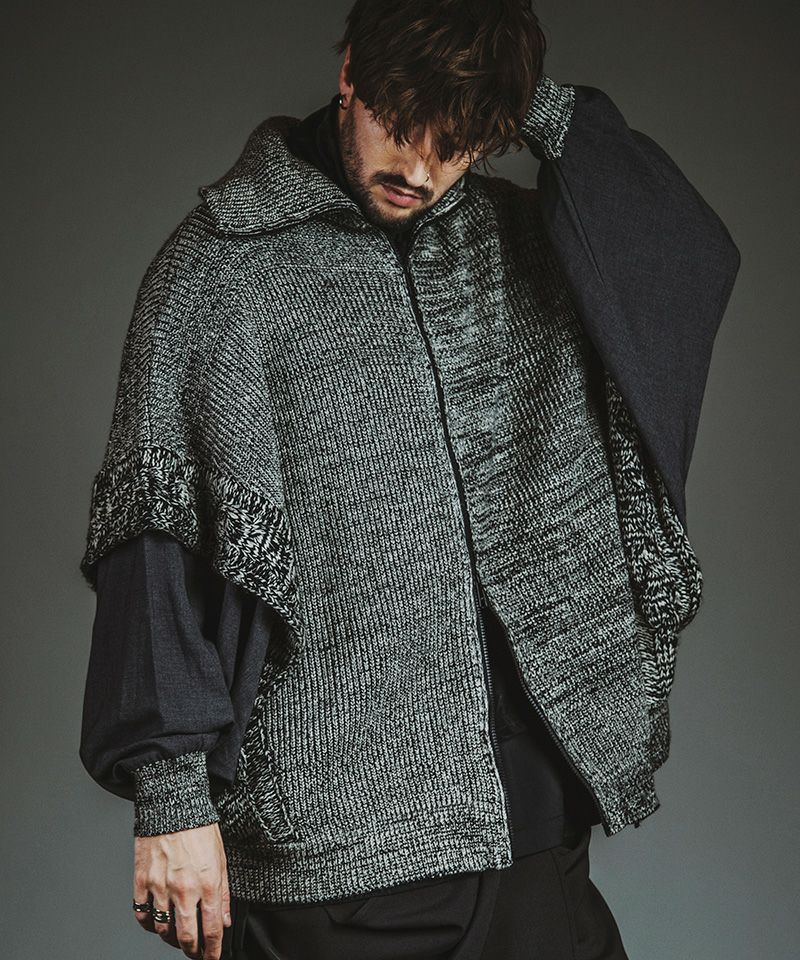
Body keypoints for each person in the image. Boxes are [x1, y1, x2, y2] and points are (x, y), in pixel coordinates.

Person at [77, 1, 740, 958]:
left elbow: (682, 253)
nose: (421, 169)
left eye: (460, 141)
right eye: (405, 118)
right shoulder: (219, 271)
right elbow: (152, 541)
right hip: (334, 859)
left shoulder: (524, 242)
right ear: (350, 70)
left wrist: (511, 90)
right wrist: (172, 799)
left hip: (535, 839)